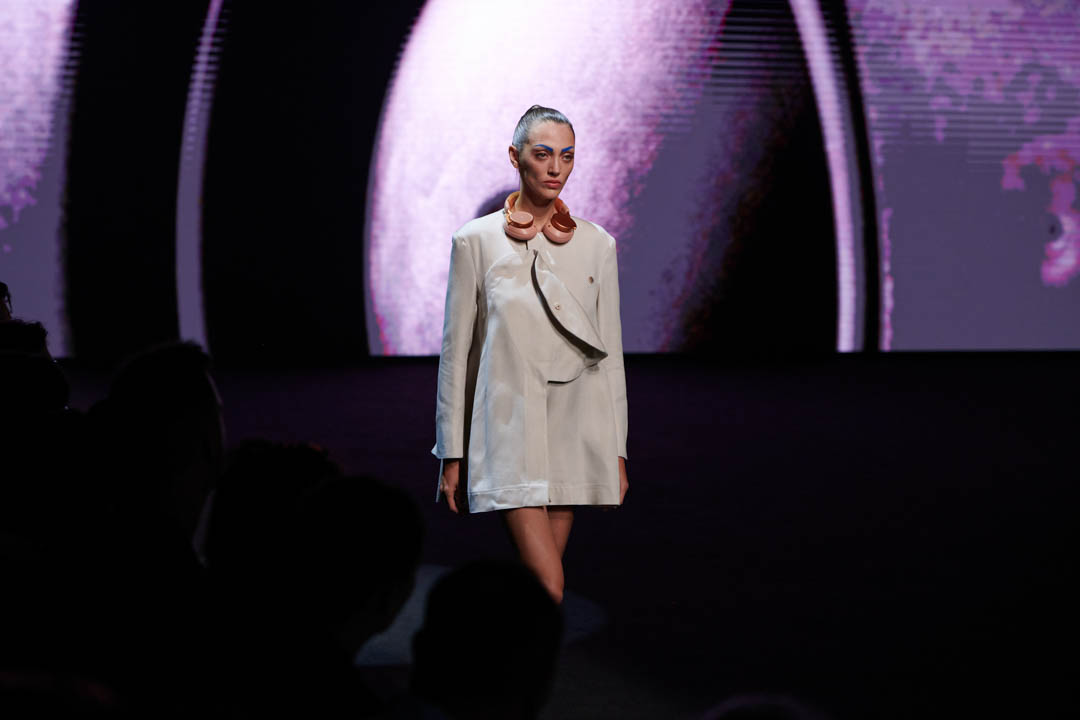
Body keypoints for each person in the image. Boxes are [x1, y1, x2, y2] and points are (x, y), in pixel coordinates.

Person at [432, 105, 629, 603]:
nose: (556, 168)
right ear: (515, 156)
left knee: (541, 594)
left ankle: (502, 650)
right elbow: (458, 355)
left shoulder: (598, 245)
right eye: (542, 155)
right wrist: (452, 452)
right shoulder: (474, 242)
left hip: (574, 424)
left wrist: (617, 451)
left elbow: (610, 358)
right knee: (548, 583)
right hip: (506, 426)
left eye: (567, 156)